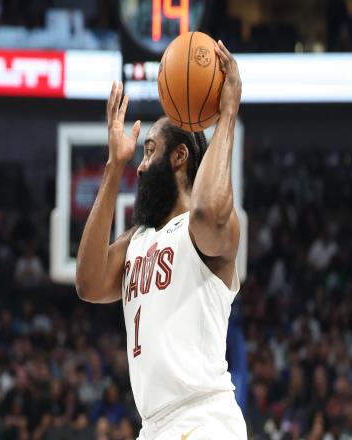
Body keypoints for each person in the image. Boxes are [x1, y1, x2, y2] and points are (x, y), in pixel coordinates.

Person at [76, 40, 246, 439]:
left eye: (149, 151)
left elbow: (206, 211)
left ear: (180, 157)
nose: (141, 165)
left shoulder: (206, 229)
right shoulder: (137, 238)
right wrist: (114, 166)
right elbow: (88, 283)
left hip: (203, 419)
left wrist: (227, 112)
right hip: (154, 426)